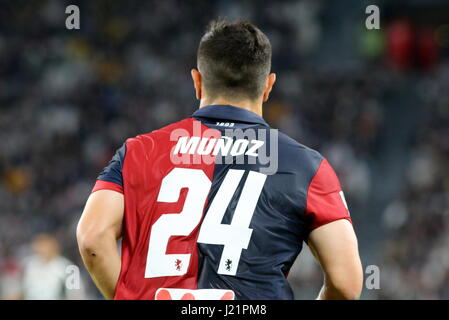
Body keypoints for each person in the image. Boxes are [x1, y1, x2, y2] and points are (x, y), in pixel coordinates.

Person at [77, 19, 363, 300]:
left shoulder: (138, 151)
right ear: (268, 86)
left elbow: (92, 238)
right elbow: (346, 283)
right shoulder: (306, 166)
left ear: (197, 82)